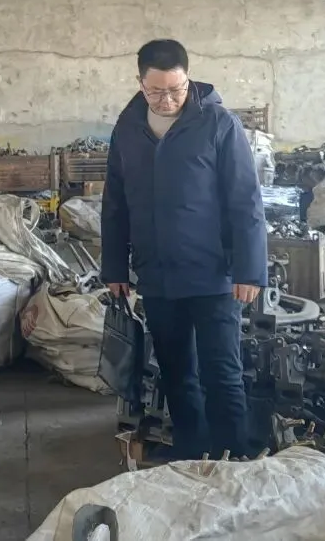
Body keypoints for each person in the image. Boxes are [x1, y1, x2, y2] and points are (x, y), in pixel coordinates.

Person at [100, 39, 267, 460]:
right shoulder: (127, 128)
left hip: (213, 275)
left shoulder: (218, 124)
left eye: (176, 89)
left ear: (188, 79)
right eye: (156, 91)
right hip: (158, 276)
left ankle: (234, 460)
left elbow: (246, 200)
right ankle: (192, 458)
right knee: (176, 374)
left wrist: (249, 270)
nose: (167, 100)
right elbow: (115, 202)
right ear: (140, 83)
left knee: (222, 373)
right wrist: (114, 267)